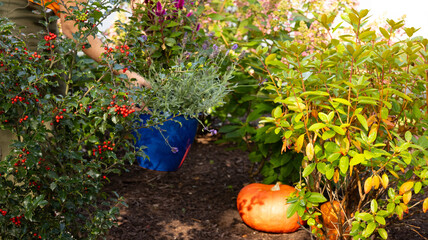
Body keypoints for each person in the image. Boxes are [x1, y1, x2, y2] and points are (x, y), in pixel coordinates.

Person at [0, 0, 149, 160]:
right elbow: (74, 27)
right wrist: (124, 73)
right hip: (19, 14)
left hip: (42, 13)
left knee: (50, 114)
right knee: (23, 131)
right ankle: (18, 182)